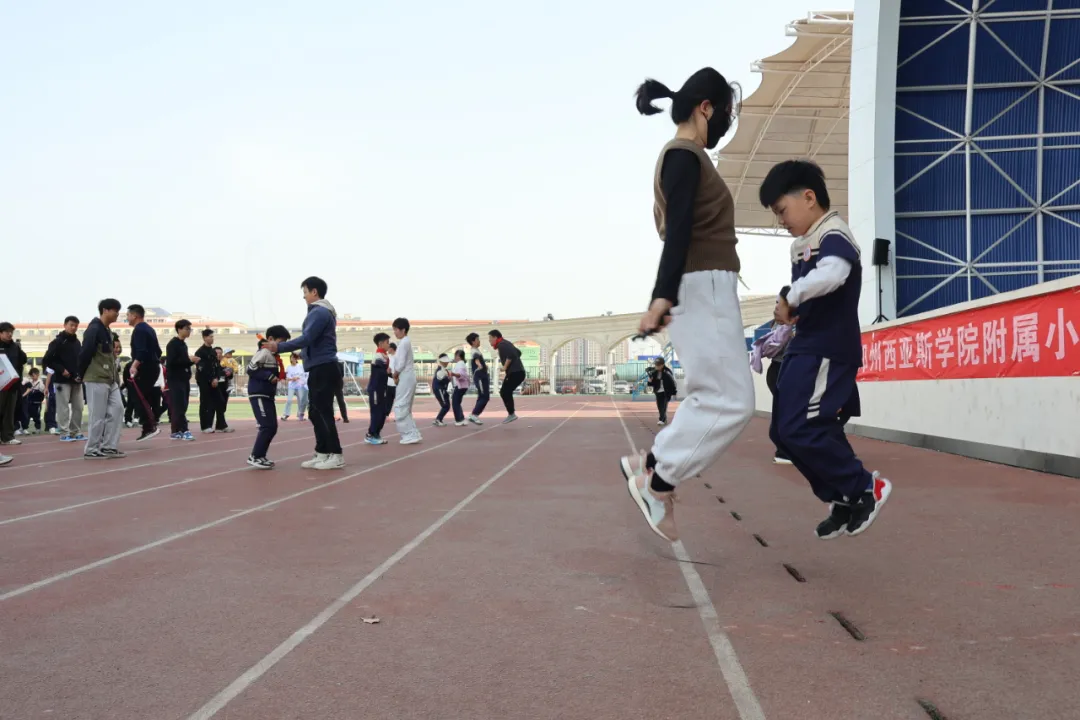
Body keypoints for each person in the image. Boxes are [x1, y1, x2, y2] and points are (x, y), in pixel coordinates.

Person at [619, 68, 755, 543]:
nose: (725, 125)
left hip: (702, 286)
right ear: (706, 108)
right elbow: (678, 230)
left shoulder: (683, 156)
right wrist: (663, 293)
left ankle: (653, 463)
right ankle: (657, 484)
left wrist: (667, 293)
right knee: (733, 402)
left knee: (709, 395)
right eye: (725, 114)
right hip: (705, 285)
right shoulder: (684, 156)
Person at [760, 159, 892, 539]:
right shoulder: (801, 246)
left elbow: (834, 274)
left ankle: (865, 487)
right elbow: (810, 295)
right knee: (784, 434)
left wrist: (791, 296)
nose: (781, 221)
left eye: (782, 210)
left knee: (804, 426)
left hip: (828, 348)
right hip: (804, 346)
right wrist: (787, 317)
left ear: (809, 197)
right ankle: (842, 496)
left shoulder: (834, 233)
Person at [266, 276, 345, 470]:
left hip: (324, 367)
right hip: (318, 366)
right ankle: (322, 452)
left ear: (314, 292)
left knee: (323, 412)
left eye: (305, 292)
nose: (304, 297)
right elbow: (316, 342)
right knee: (315, 413)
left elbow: (307, 337)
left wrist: (279, 347)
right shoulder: (320, 312)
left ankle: (336, 454)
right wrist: (302, 354)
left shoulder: (319, 312)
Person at [78, 299, 126, 459]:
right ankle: (91, 449)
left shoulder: (107, 331)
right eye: (115, 310)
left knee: (118, 409)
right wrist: (80, 374)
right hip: (96, 377)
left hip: (110, 379)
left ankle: (109, 446)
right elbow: (85, 353)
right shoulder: (94, 329)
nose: (117, 314)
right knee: (97, 415)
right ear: (105, 310)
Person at [246, 327, 290, 469]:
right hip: (259, 393)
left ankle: (260, 455)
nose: (282, 345)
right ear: (270, 339)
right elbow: (251, 368)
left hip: (268, 395)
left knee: (272, 427)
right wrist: (269, 376)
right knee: (267, 426)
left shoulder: (274, 356)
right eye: (281, 342)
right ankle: (255, 456)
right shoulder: (264, 352)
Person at [43, 315, 85, 442]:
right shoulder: (57, 342)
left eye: (76, 326)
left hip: (76, 380)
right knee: (63, 407)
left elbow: (80, 360)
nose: (74, 328)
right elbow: (48, 360)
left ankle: (75, 431)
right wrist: (61, 370)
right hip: (61, 380)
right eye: (71, 325)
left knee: (79, 406)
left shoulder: (77, 342)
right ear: (65, 325)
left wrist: (79, 374)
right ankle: (64, 432)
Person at [126, 304, 162, 442]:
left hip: (145, 367)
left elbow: (141, 351)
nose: (127, 318)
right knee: (144, 396)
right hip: (153, 366)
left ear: (134, 315)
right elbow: (158, 351)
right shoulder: (149, 329)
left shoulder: (139, 330)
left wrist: (134, 365)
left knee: (138, 397)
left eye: (128, 315)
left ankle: (149, 426)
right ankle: (150, 424)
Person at [390, 318, 421, 445]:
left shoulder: (404, 343)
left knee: (400, 406)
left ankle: (409, 434)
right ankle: (412, 433)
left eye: (396, 330)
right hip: (407, 376)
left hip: (405, 376)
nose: (395, 332)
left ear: (403, 330)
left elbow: (401, 363)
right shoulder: (404, 342)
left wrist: (395, 374)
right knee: (405, 406)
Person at [165, 319, 198, 441]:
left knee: (182, 406)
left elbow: (183, 362)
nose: (189, 331)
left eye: (190, 329)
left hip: (184, 379)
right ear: (179, 329)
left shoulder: (183, 344)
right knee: (179, 404)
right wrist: (189, 360)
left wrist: (191, 362)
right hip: (175, 379)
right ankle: (185, 430)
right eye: (187, 329)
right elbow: (172, 362)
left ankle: (175, 431)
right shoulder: (173, 344)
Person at [0, 323, 27, 447]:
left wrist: (20, 349)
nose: (9, 334)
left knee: (9, 412)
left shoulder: (15, 347)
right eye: (7, 332)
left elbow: (23, 360)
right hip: (1, 383)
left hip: (13, 384)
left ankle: (8, 437)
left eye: (11, 332)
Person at [488, 330, 524, 424]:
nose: (489, 341)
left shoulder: (502, 344)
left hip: (515, 372)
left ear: (495, 337)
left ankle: (511, 414)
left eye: (490, 339)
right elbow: (518, 352)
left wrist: (505, 367)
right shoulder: (506, 343)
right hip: (518, 372)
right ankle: (511, 413)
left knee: (504, 392)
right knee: (506, 392)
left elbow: (511, 355)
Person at [194, 329, 223, 433]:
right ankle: (205, 426)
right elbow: (202, 368)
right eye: (210, 336)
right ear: (205, 337)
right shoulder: (200, 352)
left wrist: (216, 378)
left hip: (214, 380)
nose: (212, 338)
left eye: (213, 336)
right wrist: (211, 379)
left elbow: (217, 366)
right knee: (205, 403)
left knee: (219, 401)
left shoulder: (213, 351)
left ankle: (221, 425)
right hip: (204, 381)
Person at [365, 333, 391, 445]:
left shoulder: (385, 356)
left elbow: (387, 373)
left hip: (382, 389)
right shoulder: (377, 356)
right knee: (376, 412)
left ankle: (376, 434)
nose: (389, 344)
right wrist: (388, 372)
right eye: (387, 342)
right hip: (375, 389)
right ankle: (371, 434)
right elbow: (380, 372)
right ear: (380, 343)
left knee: (383, 412)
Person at [465, 333, 489, 425]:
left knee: (483, 396)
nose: (479, 341)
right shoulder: (474, 351)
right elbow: (476, 359)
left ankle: (474, 415)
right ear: (473, 341)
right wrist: (479, 364)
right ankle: (474, 415)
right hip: (479, 377)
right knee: (484, 396)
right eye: (478, 339)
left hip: (483, 376)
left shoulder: (477, 350)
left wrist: (484, 366)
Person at [646, 357, 677, 427]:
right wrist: (650, 379)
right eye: (656, 365)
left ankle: (662, 420)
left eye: (658, 365)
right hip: (658, 392)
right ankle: (663, 419)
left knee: (664, 406)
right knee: (659, 406)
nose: (657, 366)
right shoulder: (654, 373)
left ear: (662, 365)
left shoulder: (667, 372)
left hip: (666, 392)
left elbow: (672, 382)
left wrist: (674, 392)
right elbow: (651, 384)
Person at [213, 347, 234, 433]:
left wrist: (230, 372)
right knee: (219, 406)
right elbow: (215, 374)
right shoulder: (212, 364)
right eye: (217, 353)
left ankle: (219, 426)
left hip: (224, 388)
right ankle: (221, 426)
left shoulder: (223, 364)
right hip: (215, 388)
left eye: (220, 353)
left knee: (222, 407)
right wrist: (224, 373)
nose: (219, 355)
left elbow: (229, 376)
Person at [282, 353, 308, 421]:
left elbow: (303, 374)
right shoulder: (288, 367)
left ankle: (300, 414)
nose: (293, 359)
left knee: (301, 400)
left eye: (294, 358)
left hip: (300, 386)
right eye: (291, 358)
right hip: (291, 386)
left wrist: (299, 378)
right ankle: (286, 414)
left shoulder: (300, 366)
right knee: (289, 400)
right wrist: (292, 379)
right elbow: (287, 378)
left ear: (296, 359)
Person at [449, 349, 470, 426]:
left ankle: (459, 420)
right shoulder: (461, 363)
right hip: (462, 386)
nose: (454, 357)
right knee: (457, 402)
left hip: (460, 386)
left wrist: (453, 374)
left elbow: (461, 375)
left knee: (455, 403)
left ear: (458, 356)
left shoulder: (460, 364)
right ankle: (462, 419)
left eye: (455, 356)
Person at [21, 368, 46, 434]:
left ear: (37, 375)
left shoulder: (40, 382)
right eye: (31, 376)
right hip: (29, 401)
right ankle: (25, 428)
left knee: (36, 416)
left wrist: (34, 389)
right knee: (26, 415)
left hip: (36, 402)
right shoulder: (29, 380)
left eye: (33, 376)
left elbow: (42, 390)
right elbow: (23, 381)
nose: (32, 377)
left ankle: (38, 428)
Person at [432, 354, 452, 427]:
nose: (447, 363)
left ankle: (439, 419)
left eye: (447, 361)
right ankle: (438, 420)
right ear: (441, 362)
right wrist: (448, 378)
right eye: (445, 361)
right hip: (439, 389)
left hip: (443, 389)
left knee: (447, 406)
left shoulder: (444, 370)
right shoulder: (440, 370)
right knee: (445, 405)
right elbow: (442, 380)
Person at [385, 343, 398, 419]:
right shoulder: (388, 357)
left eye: (388, 348)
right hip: (389, 382)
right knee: (388, 400)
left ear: (392, 349)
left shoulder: (398, 357)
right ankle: (386, 415)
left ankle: (398, 416)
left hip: (397, 382)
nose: (387, 349)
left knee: (398, 401)